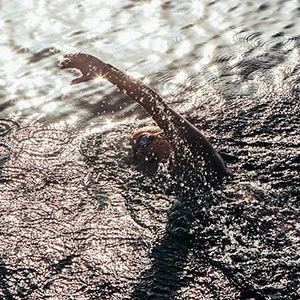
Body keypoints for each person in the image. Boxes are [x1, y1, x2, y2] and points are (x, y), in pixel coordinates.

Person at [59, 53, 232, 186]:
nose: (141, 151)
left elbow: (156, 106)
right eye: (137, 152)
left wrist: (105, 72)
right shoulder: (170, 181)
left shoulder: (197, 154)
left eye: (144, 140)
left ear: (164, 135)